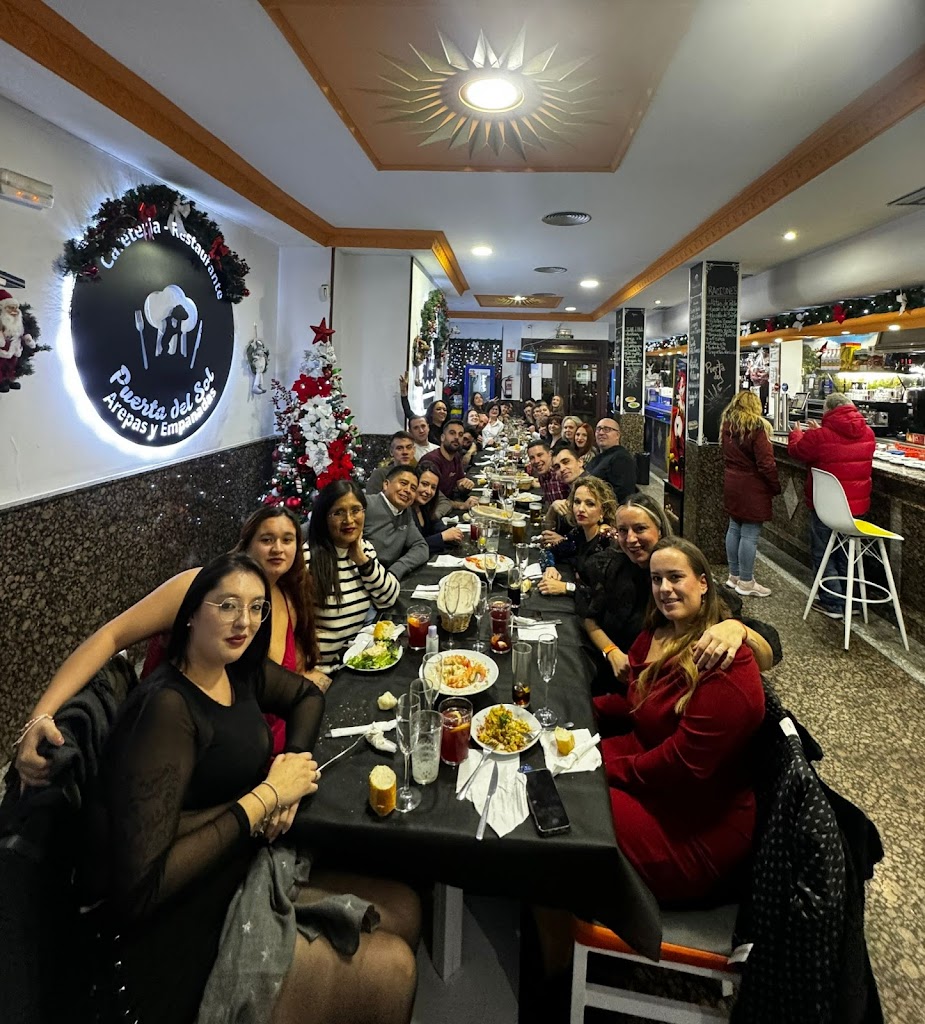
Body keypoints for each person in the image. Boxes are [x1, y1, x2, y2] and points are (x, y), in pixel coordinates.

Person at [85, 551, 419, 1024]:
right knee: (394, 969)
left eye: (257, 607)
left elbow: (305, 695)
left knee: (404, 907)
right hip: (182, 930)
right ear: (190, 615)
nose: (244, 621)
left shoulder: (236, 670)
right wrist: (266, 797)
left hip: (240, 868)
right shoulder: (166, 710)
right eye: (227, 605)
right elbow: (140, 890)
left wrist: (292, 761)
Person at [14, 506, 331, 787]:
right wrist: (41, 715)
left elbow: (281, 676)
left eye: (288, 539)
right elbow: (111, 636)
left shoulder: (284, 595)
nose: (278, 549)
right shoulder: (197, 587)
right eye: (266, 539)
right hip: (186, 747)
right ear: (246, 543)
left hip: (253, 740)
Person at [596, 538, 766, 904]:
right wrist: (580, 709)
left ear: (703, 582)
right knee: (556, 779)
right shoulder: (656, 633)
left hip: (693, 827)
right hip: (655, 781)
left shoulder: (726, 663)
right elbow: (634, 704)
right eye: (656, 579)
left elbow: (683, 764)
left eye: (676, 577)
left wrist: (602, 767)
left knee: (573, 805)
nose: (664, 589)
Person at [579, 495, 775, 689]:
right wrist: (611, 651)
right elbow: (590, 617)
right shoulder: (612, 567)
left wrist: (736, 628)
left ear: (660, 530)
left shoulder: (687, 573)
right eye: (623, 530)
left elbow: (763, 654)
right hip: (621, 681)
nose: (630, 539)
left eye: (640, 529)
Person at [788, 392, 875, 618]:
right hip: (857, 510)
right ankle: (851, 601)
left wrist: (797, 434)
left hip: (827, 509)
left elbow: (798, 451)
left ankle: (833, 602)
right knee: (848, 553)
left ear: (828, 411)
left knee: (823, 550)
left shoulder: (820, 437)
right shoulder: (868, 433)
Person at [305, 480, 400, 670]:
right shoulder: (307, 559)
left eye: (356, 510)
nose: (349, 520)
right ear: (324, 517)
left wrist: (362, 560)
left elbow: (388, 598)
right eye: (338, 513)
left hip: (356, 661)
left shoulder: (364, 549)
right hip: (323, 671)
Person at [721, 391, 781, 597]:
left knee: (734, 527)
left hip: (732, 481)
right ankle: (747, 581)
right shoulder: (757, 428)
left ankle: (734, 576)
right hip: (752, 485)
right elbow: (766, 463)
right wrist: (774, 486)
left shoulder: (727, 425)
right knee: (750, 534)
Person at [538, 477, 617, 596]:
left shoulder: (608, 540)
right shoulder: (579, 533)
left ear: (603, 511)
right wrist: (550, 567)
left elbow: (605, 594)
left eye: (590, 504)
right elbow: (549, 550)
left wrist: (566, 587)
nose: (580, 509)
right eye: (577, 502)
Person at [362, 466, 429, 580]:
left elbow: (421, 547)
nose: (408, 490)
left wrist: (395, 571)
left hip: (387, 579)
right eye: (403, 483)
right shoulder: (366, 505)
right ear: (386, 485)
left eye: (413, 488)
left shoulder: (405, 512)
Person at [418, 420, 477, 509]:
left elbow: (460, 482)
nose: (457, 437)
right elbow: (433, 499)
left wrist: (466, 485)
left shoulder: (456, 456)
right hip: (433, 510)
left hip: (448, 504)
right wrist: (462, 505)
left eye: (460, 434)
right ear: (442, 437)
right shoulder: (431, 461)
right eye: (452, 433)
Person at [412, 464, 464, 554]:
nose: (428, 491)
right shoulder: (405, 511)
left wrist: (451, 534)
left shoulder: (426, 507)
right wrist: (442, 536)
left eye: (433, 487)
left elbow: (436, 525)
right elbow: (412, 547)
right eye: (424, 484)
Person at [585, 418, 636, 503]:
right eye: (598, 429)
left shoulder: (621, 458)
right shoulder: (601, 456)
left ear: (617, 435)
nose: (601, 433)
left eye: (606, 429)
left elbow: (622, 494)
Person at [543, 448, 587, 533]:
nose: (562, 469)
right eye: (557, 467)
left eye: (566, 462)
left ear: (580, 462)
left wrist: (563, 542)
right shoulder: (572, 488)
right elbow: (547, 527)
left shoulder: (588, 488)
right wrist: (552, 508)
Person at [398, 373, 447, 445]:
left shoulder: (447, 429)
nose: (442, 412)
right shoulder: (424, 426)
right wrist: (403, 391)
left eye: (444, 410)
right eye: (438, 409)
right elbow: (408, 411)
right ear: (431, 412)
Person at [365, 431, 417, 495]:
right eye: (399, 448)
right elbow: (371, 501)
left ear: (414, 450)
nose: (405, 452)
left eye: (409, 447)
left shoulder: (418, 475)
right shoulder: (380, 475)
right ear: (391, 452)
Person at [526, 440, 567, 504]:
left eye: (540, 455)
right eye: (532, 458)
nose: (536, 461)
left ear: (550, 454)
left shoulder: (561, 473)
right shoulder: (542, 475)